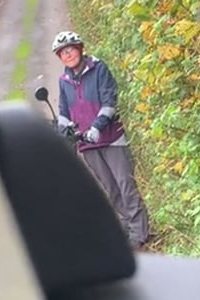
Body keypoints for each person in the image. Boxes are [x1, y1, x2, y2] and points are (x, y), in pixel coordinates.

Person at [51, 30, 150, 249]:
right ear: (60, 57)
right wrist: (63, 125)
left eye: (71, 49)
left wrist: (97, 127)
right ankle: (127, 227)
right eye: (63, 53)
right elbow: (64, 109)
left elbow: (109, 102)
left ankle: (140, 233)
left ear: (80, 48)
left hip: (111, 138)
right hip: (87, 144)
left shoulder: (98, 69)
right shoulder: (64, 80)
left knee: (125, 185)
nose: (68, 55)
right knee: (110, 188)